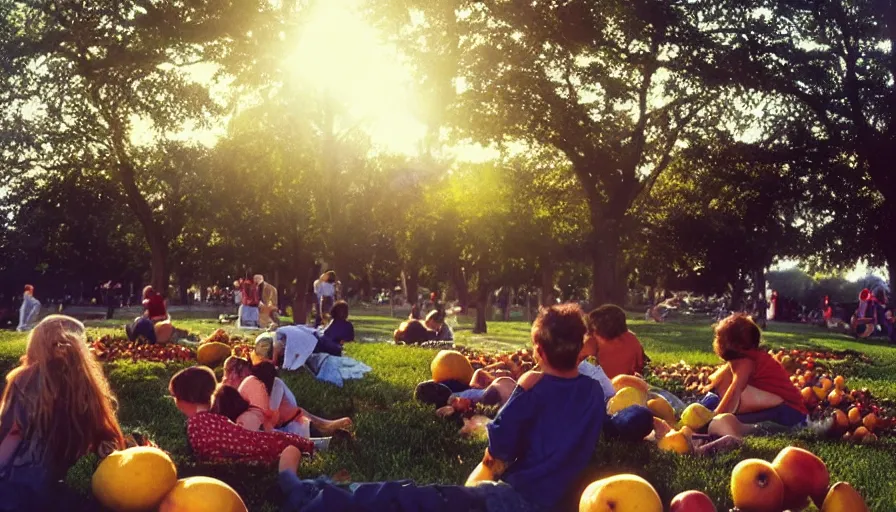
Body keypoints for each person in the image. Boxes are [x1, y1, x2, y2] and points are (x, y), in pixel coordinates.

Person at [278, 304, 607, 511]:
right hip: (559, 502)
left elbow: (495, 459)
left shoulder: (532, 390)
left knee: (403, 498)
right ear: (581, 349)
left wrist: (523, 390)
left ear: (538, 350)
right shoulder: (593, 392)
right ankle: (320, 488)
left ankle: (305, 494)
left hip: (512, 501)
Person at [0, 315, 127, 508]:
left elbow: (13, 432)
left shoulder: (23, 379)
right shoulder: (87, 381)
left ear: (37, 344)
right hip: (75, 476)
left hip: (27, 479)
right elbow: (101, 428)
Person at [168, 366, 314, 463]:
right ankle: (313, 444)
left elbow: (208, 454)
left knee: (280, 445)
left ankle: (311, 445)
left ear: (186, 399)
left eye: (175, 396)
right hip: (259, 444)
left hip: (253, 449)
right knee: (279, 442)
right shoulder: (217, 419)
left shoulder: (196, 424)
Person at [701, 314, 807, 428]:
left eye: (719, 339)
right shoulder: (745, 359)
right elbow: (719, 381)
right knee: (713, 400)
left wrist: (714, 417)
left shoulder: (745, 362)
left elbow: (735, 391)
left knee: (731, 421)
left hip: (790, 413)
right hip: (788, 410)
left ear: (730, 344)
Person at [588, 304, 646, 379]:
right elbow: (641, 366)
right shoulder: (632, 339)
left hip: (603, 384)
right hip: (626, 384)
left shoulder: (597, 340)